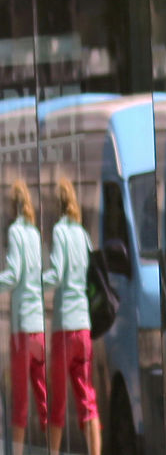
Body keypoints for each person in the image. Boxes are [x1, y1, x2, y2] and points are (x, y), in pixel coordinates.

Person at [43, 178, 101, 455]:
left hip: (64, 327)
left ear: (58, 205)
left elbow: (55, 274)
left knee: (59, 402)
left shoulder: (60, 232)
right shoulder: (82, 234)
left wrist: (32, 281)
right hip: (84, 327)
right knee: (87, 400)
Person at [0, 180, 47, 455]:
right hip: (39, 327)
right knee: (43, 398)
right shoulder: (34, 233)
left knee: (19, 401)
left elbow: (14, 273)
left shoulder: (16, 232)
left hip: (21, 330)